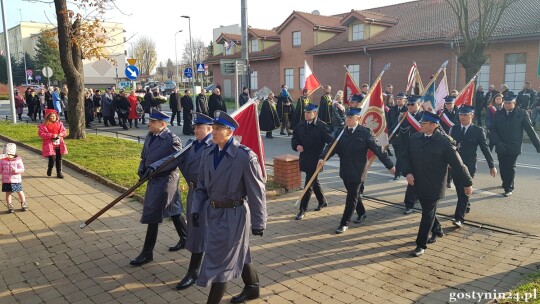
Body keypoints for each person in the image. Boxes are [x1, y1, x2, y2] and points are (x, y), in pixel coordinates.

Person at [191, 110, 266, 304]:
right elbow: (201, 187)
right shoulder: (208, 153)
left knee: (221, 261)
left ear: (230, 132)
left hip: (234, 214)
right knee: (239, 251)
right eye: (213, 128)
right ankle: (252, 287)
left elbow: (256, 192)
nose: (213, 132)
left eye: (218, 129)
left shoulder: (244, 157)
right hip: (213, 213)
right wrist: (196, 209)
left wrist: (259, 221)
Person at [402, 111, 473, 257]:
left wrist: (467, 183)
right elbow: (404, 157)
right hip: (417, 182)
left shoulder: (444, 142)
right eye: (421, 122)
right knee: (428, 209)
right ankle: (437, 230)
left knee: (427, 213)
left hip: (434, 184)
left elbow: (458, 165)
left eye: (424, 123)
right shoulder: (415, 138)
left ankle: (421, 244)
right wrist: (407, 172)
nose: (420, 124)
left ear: (434, 125)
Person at [318, 108, 395, 234]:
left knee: (351, 197)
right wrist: (323, 157)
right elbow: (331, 147)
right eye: (347, 117)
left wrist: (390, 165)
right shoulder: (341, 132)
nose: (347, 120)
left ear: (358, 118)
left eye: (351, 118)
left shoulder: (365, 133)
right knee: (354, 194)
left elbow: (378, 150)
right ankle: (362, 212)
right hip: (345, 170)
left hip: (358, 171)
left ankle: (344, 223)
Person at [130, 109, 187, 266]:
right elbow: (145, 156)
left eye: (153, 122)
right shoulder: (150, 136)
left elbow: (175, 159)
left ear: (163, 124)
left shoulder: (172, 139)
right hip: (153, 178)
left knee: (153, 214)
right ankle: (186, 237)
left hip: (166, 181)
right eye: (150, 121)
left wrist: (154, 167)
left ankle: (147, 252)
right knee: (174, 211)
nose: (149, 124)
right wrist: (142, 168)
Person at [175, 113, 214, 291]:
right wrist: (154, 168)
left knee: (205, 233)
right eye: (196, 127)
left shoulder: (213, 146)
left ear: (209, 129)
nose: (196, 130)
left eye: (200, 127)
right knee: (198, 232)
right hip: (194, 193)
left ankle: (193, 271)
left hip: (208, 197)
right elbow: (177, 161)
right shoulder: (191, 144)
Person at [449, 105, 496, 227]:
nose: (462, 117)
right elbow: (448, 148)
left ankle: (459, 218)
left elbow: (485, 149)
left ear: (472, 115)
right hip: (455, 165)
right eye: (460, 115)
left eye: (465, 115)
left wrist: (492, 165)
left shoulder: (478, 131)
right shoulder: (454, 129)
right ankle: (465, 205)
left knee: (464, 190)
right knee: (460, 190)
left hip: (469, 165)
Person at [488, 94, 540, 196]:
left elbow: (530, 131)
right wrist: (497, 143)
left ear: (514, 103)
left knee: (510, 167)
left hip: (514, 145)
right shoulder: (498, 113)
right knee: (502, 166)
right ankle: (505, 183)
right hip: (501, 145)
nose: (507, 105)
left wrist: (538, 146)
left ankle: (509, 188)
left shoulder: (521, 113)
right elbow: (492, 130)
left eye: (509, 103)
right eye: (505, 103)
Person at [291, 104, 334, 220]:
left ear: (315, 113)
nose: (306, 114)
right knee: (313, 180)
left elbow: (331, 143)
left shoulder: (321, 127)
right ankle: (322, 201)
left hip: (316, 160)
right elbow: (294, 138)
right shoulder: (301, 125)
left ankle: (302, 209)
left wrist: (323, 157)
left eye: (309, 113)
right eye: (305, 112)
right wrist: (296, 146)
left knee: (309, 184)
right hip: (304, 158)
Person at [400, 95, 424, 214]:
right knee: (411, 178)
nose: (409, 106)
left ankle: (417, 197)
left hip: (423, 152)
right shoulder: (404, 116)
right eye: (408, 104)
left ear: (419, 105)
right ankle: (409, 204)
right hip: (409, 151)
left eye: (412, 104)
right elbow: (399, 132)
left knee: (423, 178)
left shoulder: (424, 116)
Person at [38, 109, 68, 179]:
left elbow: (64, 132)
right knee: (52, 158)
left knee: (59, 158)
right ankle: (50, 168)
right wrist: (52, 135)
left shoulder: (60, 124)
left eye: (54, 116)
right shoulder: (44, 125)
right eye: (51, 117)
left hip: (59, 143)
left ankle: (59, 172)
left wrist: (61, 134)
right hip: (49, 144)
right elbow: (41, 134)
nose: (53, 118)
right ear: (48, 117)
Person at [1, 143, 27, 213]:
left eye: (11, 154)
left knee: (20, 192)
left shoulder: (18, 160)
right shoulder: (2, 160)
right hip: (7, 180)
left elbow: (22, 169)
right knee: (8, 193)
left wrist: (16, 170)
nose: (9, 156)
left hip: (16, 180)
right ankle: (10, 205)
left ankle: (23, 203)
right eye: (7, 154)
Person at [388, 92, 407, 180]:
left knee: (402, 155)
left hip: (404, 136)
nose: (398, 101)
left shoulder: (407, 109)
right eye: (398, 99)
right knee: (398, 155)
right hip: (394, 136)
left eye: (400, 99)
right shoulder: (392, 109)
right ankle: (399, 172)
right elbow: (389, 122)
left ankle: (399, 172)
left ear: (405, 100)